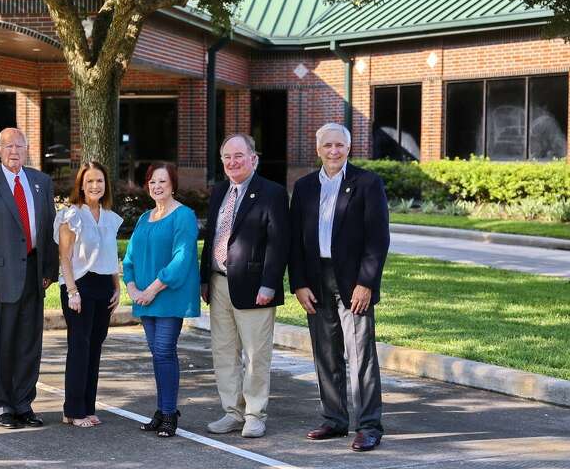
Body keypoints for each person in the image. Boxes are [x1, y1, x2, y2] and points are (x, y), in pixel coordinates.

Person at [289, 122, 390, 452]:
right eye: (328, 145)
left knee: (360, 354)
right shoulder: (304, 187)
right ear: (317, 149)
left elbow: (378, 239)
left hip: (353, 281)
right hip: (316, 279)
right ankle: (334, 419)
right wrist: (299, 283)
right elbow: (295, 242)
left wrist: (367, 283)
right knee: (325, 351)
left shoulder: (367, 183)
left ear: (349, 148)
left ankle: (369, 425)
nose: (334, 151)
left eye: (340, 145)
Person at [0, 127, 59, 429]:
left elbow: (49, 229)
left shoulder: (41, 183)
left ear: (28, 148)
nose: (14, 151)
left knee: (29, 344)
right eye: (8, 147)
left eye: (20, 146)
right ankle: (0, 405)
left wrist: (49, 269)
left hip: (34, 274)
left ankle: (23, 403)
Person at [199, 134, 289, 439]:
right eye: (227, 157)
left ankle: (254, 414)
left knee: (255, 354)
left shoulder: (272, 193)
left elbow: (279, 244)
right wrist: (203, 279)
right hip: (218, 281)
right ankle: (232, 412)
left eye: (239, 155)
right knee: (223, 352)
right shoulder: (219, 191)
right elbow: (212, 237)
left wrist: (269, 284)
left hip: (255, 287)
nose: (232, 162)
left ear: (254, 158)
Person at [122, 162, 200, 438]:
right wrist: (132, 289)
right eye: (152, 182)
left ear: (173, 185)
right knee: (157, 354)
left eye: (163, 182)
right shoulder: (145, 218)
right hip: (144, 298)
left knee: (165, 350)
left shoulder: (184, 216)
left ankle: (169, 414)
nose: (157, 187)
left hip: (168, 295)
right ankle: (162, 409)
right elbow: (129, 258)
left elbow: (182, 259)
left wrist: (153, 289)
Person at [55, 162, 123, 428]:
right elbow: (65, 257)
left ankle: (87, 407)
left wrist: (116, 286)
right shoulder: (71, 215)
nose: (95, 186)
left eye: (100, 181)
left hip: (103, 285)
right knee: (79, 349)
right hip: (79, 287)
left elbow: (111, 254)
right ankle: (72, 411)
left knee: (94, 349)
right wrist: (72, 291)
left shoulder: (109, 216)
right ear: (81, 186)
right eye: (90, 181)